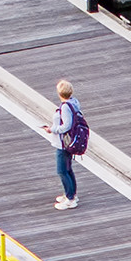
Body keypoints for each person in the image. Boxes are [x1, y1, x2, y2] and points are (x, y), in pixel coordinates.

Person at [49, 80, 84, 211]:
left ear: (59, 93)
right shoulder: (74, 102)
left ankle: (70, 199)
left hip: (64, 143)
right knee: (68, 169)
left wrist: (52, 129)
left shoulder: (65, 107)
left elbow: (66, 126)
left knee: (61, 170)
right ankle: (71, 194)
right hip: (71, 141)